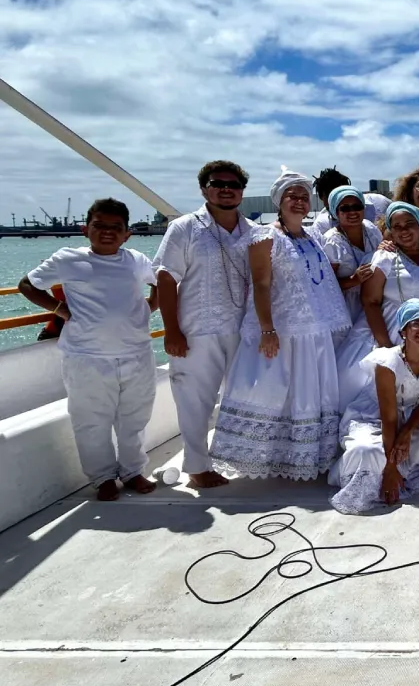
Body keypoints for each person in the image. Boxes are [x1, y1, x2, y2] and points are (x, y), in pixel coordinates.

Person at [209, 169, 351, 480]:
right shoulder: (264, 236)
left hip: (313, 331)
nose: (300, 202)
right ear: (279, 201)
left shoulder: (312, 237)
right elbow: (261, 284)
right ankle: (270, 458)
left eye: (304, 197)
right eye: (292, 196)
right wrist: (267, 329)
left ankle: (306, 458)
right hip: (283, 331)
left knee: (310, 395)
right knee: (277, 393)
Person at [19, 198, 159, 501]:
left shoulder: (136, 260)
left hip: (136, 353)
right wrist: (60, 309)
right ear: (86, 229)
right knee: (91, 421)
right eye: (100, 226)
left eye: (115, 228)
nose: (107, 232)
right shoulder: (67, 258)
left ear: (127, 234)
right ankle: (103, 477)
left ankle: (133, 471)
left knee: (135, 419)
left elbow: (161, 282)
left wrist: (151, 307)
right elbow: (28, 285)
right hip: (86, 357)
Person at [152, 159, 255, 489]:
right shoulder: (185, 227)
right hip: (197, 330)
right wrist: (171, 330)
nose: (226, 189)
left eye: (233, 185)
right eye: (218, 183)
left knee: (242, 399)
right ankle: (197, 468)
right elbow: (166, 279)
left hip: (242, 330)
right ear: (204, 188)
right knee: (194, 400)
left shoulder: (253, 232)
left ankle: (241, 457)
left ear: (242, 191)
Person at [330, 300, 419, 514]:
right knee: (368, 450)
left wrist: (407, 432)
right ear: (403, 330)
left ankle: (407, 476)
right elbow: (389, 418)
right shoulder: (387, 362)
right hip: (375, 416)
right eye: (415, 323)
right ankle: (382, 477)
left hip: (411, 415)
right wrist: (389, 468)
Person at [362, 202, 419, 347]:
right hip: (396, 331)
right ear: (391, 231)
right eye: (397, 227)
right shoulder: (384, 258)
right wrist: (385, 344)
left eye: (409, 224)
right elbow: (370, 302)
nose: (404, 230)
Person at [322, 185, 383, 327]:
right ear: (335, 212)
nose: (352, 212)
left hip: (376, 300)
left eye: (357, 206)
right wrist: (353, 280)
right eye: (345, 208)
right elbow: (326, 285)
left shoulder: (370, 229)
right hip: (348, 308)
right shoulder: (332, 241)